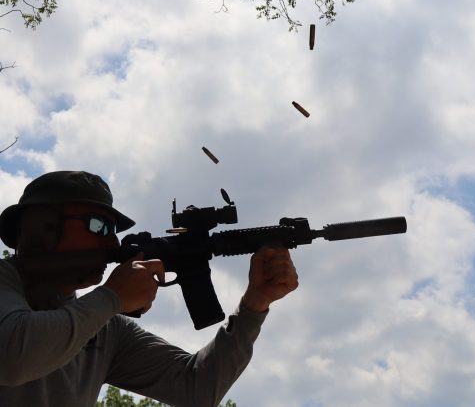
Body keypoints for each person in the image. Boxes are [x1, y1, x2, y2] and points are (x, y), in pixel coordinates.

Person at [0, 170, 299, 406]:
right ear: (43, 228)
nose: (113, 243)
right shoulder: (97, 312)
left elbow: (198, 388)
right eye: (99, 226)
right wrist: (112, 297)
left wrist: (255, 304)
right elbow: (13, 357)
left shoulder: (105, 328)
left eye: (114, 231)